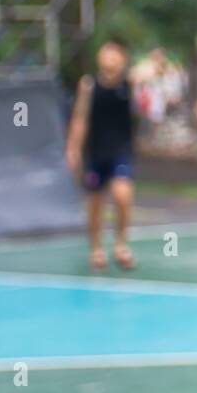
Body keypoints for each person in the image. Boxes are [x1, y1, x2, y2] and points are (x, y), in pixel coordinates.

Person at [66, 38, 140, 271]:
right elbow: (80, 118)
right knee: (95, 204)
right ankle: (96, 249)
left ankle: (121, 244)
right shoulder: (88, 85)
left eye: (114, 53)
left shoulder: (129, 82)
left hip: (121, 152)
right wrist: (73, 148)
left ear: (123, 58)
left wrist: (158, 64)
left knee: (122, 194)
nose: (109, 56)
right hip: (96, 154)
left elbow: (148, 71)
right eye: (105, 51)